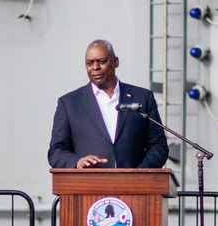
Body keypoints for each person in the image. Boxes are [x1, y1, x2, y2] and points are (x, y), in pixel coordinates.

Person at [48, 39, 168, 170]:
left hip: (135, 187)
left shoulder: (143, 97)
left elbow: (158, 146)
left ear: (116, 62)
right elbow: (56, 151)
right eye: (89, 63)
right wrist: (78, 162)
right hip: (88, 186)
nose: (95, 67)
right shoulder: (69, 103)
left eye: (101, 61)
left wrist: (139, 173)